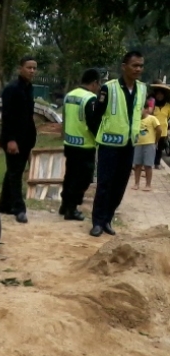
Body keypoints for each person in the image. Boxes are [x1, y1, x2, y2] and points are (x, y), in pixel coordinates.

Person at [90, 51, 146, 238]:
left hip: (129, 145)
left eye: (140, 65)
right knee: (104, 184)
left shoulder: (143, 89)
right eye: (134, 65)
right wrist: (99, 135)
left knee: (120, 185)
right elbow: (96, 114)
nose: (138, 69)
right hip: (109, 145)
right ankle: (97, 222)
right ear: (124, 66)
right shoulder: (109, 88)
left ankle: (107, 219)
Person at [0, 55, 38, 224]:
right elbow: (7, 117)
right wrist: (10, 140)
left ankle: (4, 204)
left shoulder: (29, 88)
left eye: (34, 68)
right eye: (29, 67)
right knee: (15, 174)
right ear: (20, 69)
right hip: (13, 139)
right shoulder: (11, 89)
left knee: (14, 172)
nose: (32, 71)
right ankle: (19, 208)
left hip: (26, 139)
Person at [59, 68, 102, 221]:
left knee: (70, 175)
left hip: (69, 143)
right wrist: (101, 137)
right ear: (95, 83)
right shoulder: (90, 99)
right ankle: (72, 208)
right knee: (83, 178)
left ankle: (64, 204)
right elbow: (92, 123)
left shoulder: (69, 95)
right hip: (85, 146)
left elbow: (64, 119)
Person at [131, 101, 161, 190]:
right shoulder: (135, 120)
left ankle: (148, 185)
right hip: (138, 144)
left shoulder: (152, 119)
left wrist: (155, 141)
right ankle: (136, 183)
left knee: (148, 165)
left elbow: (159, 130)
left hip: (149, 144)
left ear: (146, 109)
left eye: (141, 109)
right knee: (137, 165)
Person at [150, 81, 170, 169]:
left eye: (161, 95)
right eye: (158, 94)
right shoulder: (152, 105)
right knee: (151, 147)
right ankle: (149, 163)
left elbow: (168, 117)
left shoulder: (168, 106)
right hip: (152, 130)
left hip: (163, 131)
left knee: (160, 148)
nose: (159, 96)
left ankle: (157, 163)